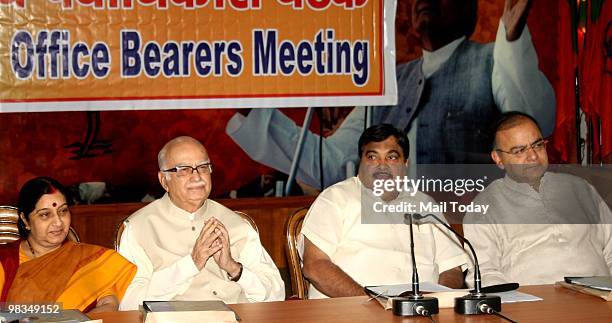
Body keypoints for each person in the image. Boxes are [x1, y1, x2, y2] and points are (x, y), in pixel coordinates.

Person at [226, 0, 556, 189]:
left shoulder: (491, 61)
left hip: (471, 233)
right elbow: (333, 162)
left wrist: (513, 45)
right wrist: (251, 108)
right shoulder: (388, 80)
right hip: (395, 236)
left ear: (468, 7)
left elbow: (534, 118)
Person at [300, 124, 468, 298]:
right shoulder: (336, 198)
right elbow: (315, 266)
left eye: (391, 157)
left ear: (405, 164)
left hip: (421, 313)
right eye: (372, 157)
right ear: (361, 162)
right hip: (353, 311)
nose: (382, 165)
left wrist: (436, 301)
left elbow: (452, 268)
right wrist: (371, 302)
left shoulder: (424, 204)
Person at [118, 136, 284, 310]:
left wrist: (234, 268)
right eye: (183, 170)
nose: (196, 177)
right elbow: (128, 303)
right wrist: (191, 264)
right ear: (163, 180)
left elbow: (277, 293)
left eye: (203, 168)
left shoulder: (236, 224)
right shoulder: (139, 228)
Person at [463, 112, 612, 286]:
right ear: (498, 159)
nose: (533, 156)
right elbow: (485, 272)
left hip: (601, 299)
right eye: (519, 151)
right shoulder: (485, 206)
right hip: (534, 306)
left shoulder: (579, 188)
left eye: (538, 145)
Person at [0, 177, 136, 312]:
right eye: (45, 215)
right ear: (25, 220)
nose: (58, 222)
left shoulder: (90, 259)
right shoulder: (5, 261)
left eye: (63, 211)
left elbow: (109, 304)